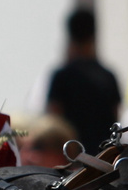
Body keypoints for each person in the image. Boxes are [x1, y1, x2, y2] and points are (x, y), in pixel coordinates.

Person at [44, 8, 120, 150]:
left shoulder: (62, 76)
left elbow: (54, 120)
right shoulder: (108, 76)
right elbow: (115, 118)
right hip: (103, 155)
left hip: (71, 156)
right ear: (94, 34)